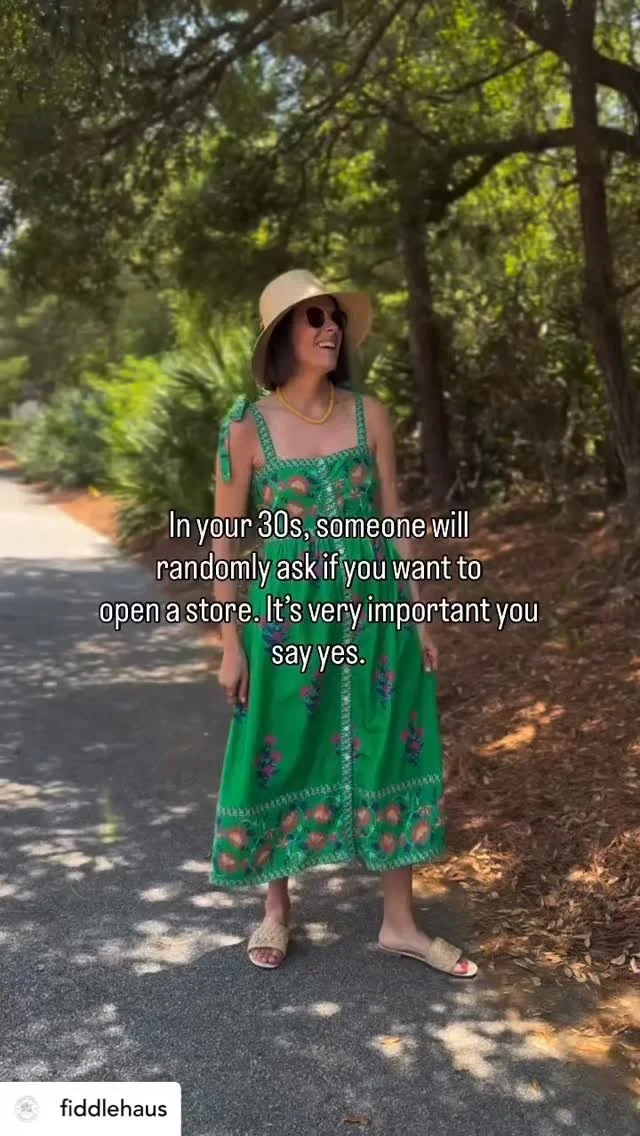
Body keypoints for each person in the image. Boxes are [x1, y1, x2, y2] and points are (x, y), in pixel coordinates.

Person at [208, 268, 477, 979]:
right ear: (281, 336)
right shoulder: (245, 426)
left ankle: (400, 924)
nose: (331, 328)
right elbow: (225, 540)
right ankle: (275, 909)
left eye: (335, 318)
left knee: (391, 745)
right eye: (315, 318)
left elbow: (393, 519)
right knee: (281, 743)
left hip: (376, 612)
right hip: (287, 617)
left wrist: (419, 613)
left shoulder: (369, 415)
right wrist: (231, 643)